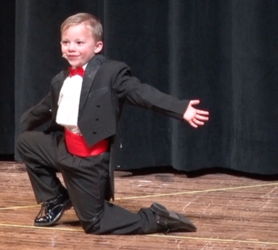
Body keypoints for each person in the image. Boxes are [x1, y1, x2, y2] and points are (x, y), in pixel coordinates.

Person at [16, 12, 210, 234]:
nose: (71, 48)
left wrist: (180, 108)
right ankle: (56, 197)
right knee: (26, 143)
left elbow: (141, 93)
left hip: (88, 161)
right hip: (65, 149)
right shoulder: (61, 79)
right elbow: (47, 106)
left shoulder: (111, 73)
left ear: (97, 46)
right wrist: (26, 121)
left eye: (79, 43)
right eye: (66, 42)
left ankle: (156, 218)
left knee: (94, 223)